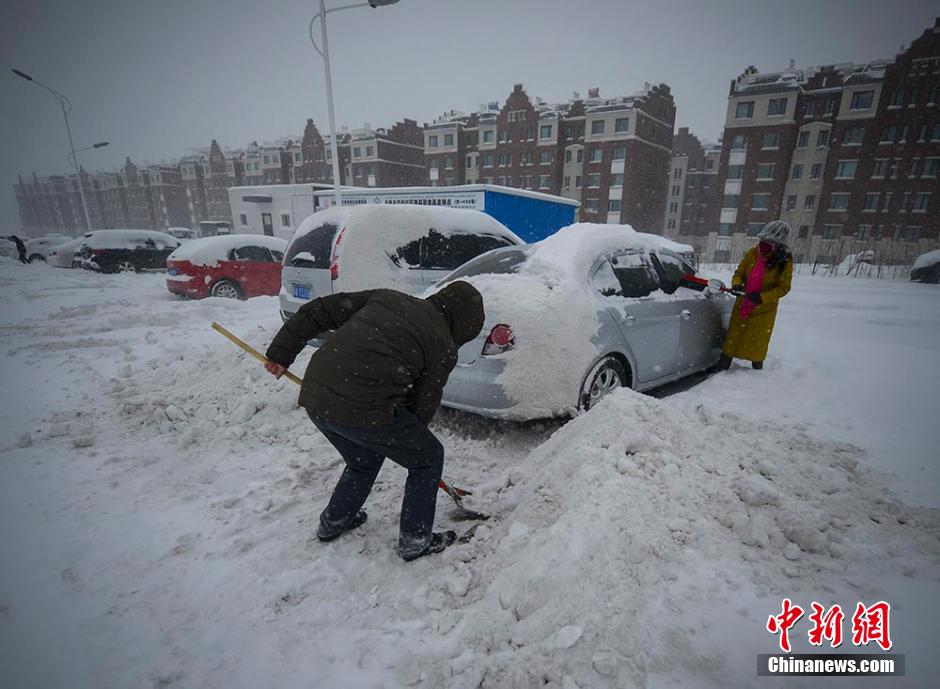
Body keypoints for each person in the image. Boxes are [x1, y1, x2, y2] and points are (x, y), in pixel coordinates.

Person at [264, 281, 484, 561]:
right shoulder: (442, 346)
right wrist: (405, 447)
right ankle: (415, 540)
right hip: (360, 407)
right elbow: (422, 405)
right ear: (462, 326)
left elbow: (318, 310)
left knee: (363, 459)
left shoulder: (386, 298)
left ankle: (335, 521)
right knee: (428, 457)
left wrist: (281, 353)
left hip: (316, 395)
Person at [716, 220, 793, 371]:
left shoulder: (784, 260)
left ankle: (756, 371)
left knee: (757, 341)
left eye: (769, 241)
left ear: (779, 244)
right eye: (763, 240)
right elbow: (739, 273)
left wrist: (762, 298)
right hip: (743, 302)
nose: (763, 244)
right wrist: (737, 284)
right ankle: (723, 365)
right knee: (733, 336)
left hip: (764, 309)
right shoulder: (752, 253)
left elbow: (783, 287)